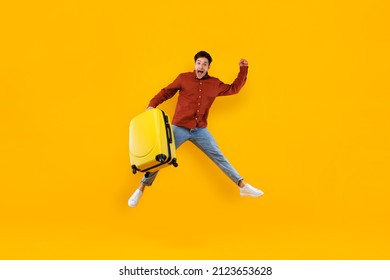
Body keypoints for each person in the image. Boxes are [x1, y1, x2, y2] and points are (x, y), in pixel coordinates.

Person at [128, 51, 264, 207]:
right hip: (179, 127)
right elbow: (166, 92)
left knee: (218, 156)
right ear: (195, 64)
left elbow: (234, 88)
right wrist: (152, 105)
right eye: (199, 63)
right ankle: (140, 189)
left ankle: (242, 186)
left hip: (200, 130)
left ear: (208, 68)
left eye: (205, 64)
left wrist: (243, 69)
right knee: (160, 157)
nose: (201, 66)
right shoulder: (183, 78)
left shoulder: (214, 84)